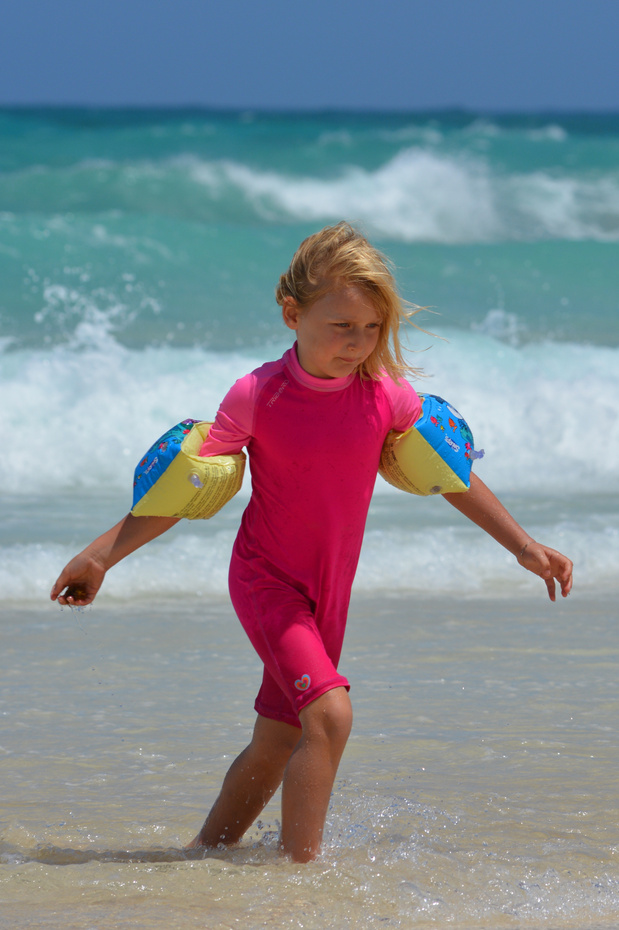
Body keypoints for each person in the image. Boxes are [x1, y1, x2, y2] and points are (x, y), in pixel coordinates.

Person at [51, 222, 573, 863]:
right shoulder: (257, 396)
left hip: (330, 592)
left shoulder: (385, 395)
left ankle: (201, 857)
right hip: (267, 581)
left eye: (372, 329)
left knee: (277, 737)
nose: (358, 344)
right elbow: (182, 494)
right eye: (342, 327)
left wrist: (522, 546)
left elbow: (453, 478)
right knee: (330, 717)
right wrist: (100, 554)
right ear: (292, 314)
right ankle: (299, 880)